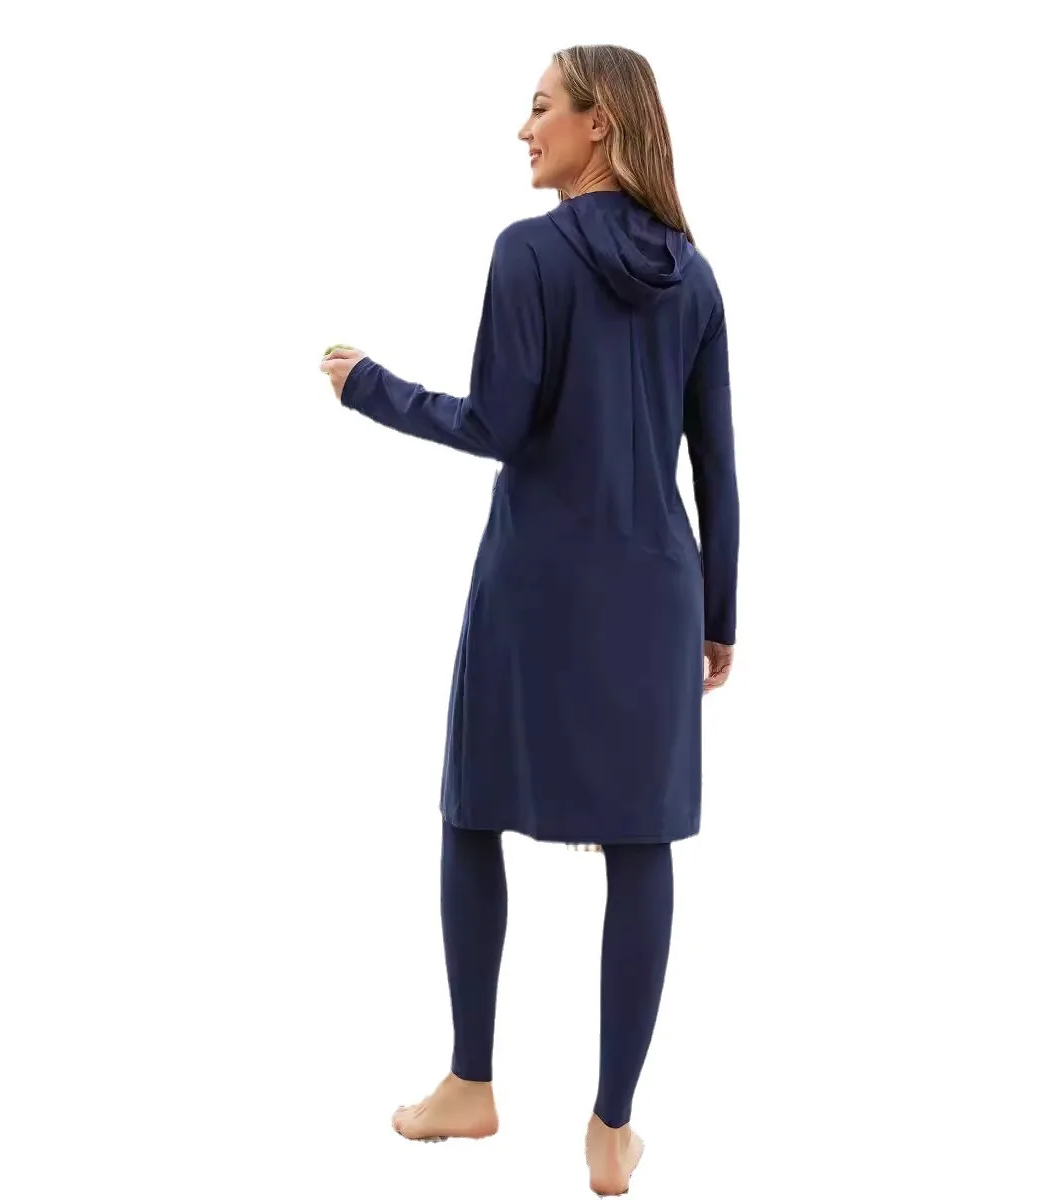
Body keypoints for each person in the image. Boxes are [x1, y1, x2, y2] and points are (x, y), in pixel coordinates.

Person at [320, 43, 738, 1197]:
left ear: (600, 123)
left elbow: (498, 425)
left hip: (537, 586)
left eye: (542, 107)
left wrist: (368, 386)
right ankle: (611, 1127)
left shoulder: (530, 253)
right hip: (657, 593)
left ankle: (471, 1082)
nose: (524, 129)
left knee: (473, 810)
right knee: (643, 843)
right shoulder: (696, 277)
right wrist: (719, 613)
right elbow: (718, 463)